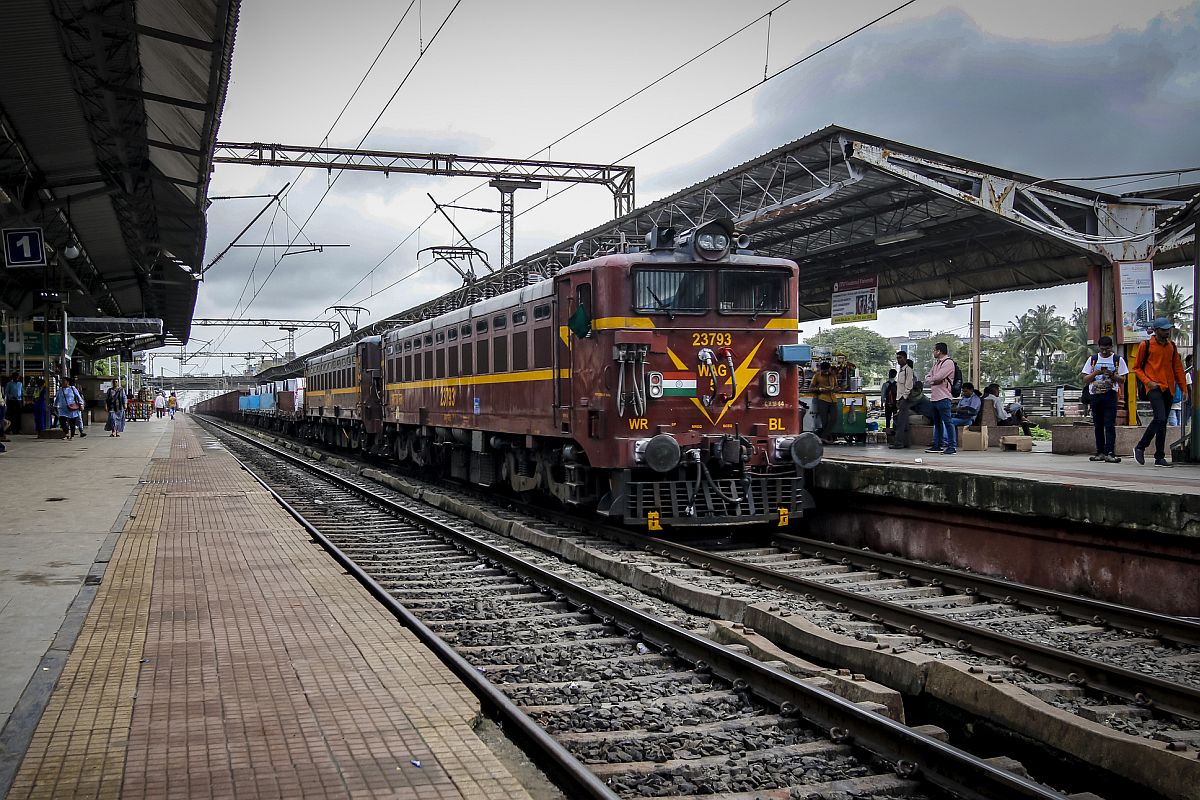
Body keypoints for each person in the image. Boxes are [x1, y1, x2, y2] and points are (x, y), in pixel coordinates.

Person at [1132, 317, 1188, 467]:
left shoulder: (1172, 346)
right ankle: (1140, 446)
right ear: (1156, 331)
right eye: (1163, 330)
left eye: (1168, 329)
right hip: (1154, 387)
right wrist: (1148, 381)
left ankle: (1159, 457)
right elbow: (1136, 368)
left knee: (1162, 423)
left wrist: (1183, 388)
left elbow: (1178, 368)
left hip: (1169, 388)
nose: (1167, 332)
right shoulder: (1146, 345)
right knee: (1161, 418)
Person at [1080, 335, 1127, 463]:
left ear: (1111, 347)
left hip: (1110, 394)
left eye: (1107, 349)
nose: (1104, 352)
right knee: (1098, 425)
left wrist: (1112, 375)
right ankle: (1100, 451)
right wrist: (1096, 373)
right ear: (1099, 348)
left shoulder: (1118, 360)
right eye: (1102, 349)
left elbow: (1123, 380)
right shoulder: (1093, 360)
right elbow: (1084, 379)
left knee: (1109, 424)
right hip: (1095, 395)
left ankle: (1110, 452)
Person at [924, 342, 957, 455]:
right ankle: (937, 445)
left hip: (944, 397)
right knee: (937, 423)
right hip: (934, 397)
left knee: (948, 422)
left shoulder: (948, 363)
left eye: (934, 350)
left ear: (939, 351)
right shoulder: (937, 364)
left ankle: (952, 446)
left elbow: (939, 376)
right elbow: (928, 377)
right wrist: (933, 379)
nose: (933, 352)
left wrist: (933, 379)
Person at [891, 352, 916, 449]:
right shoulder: (901, 371)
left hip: (904, 399)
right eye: (897, 358)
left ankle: (899, 443)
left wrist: (903, 397)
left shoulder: (908, 370)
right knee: (904, 421)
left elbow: (909, 386)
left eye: (900, 358)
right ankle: (906, 442)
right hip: (900, 398)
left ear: (905, 358)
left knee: (900, 422)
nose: (898, 360)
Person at [811, 361, 839, 444]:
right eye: (824, 371)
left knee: (834, 418)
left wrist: (835, 389)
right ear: (821, 369)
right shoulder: (817, 376)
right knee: (824, 420)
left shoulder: (833, 376)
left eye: (827, 370)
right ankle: (826, 437)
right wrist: (820, 389)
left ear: (829, 369)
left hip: (833, 399)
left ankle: (823, 437)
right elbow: (811, 388)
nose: (826, 372)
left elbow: (837, 386)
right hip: (822, 399)